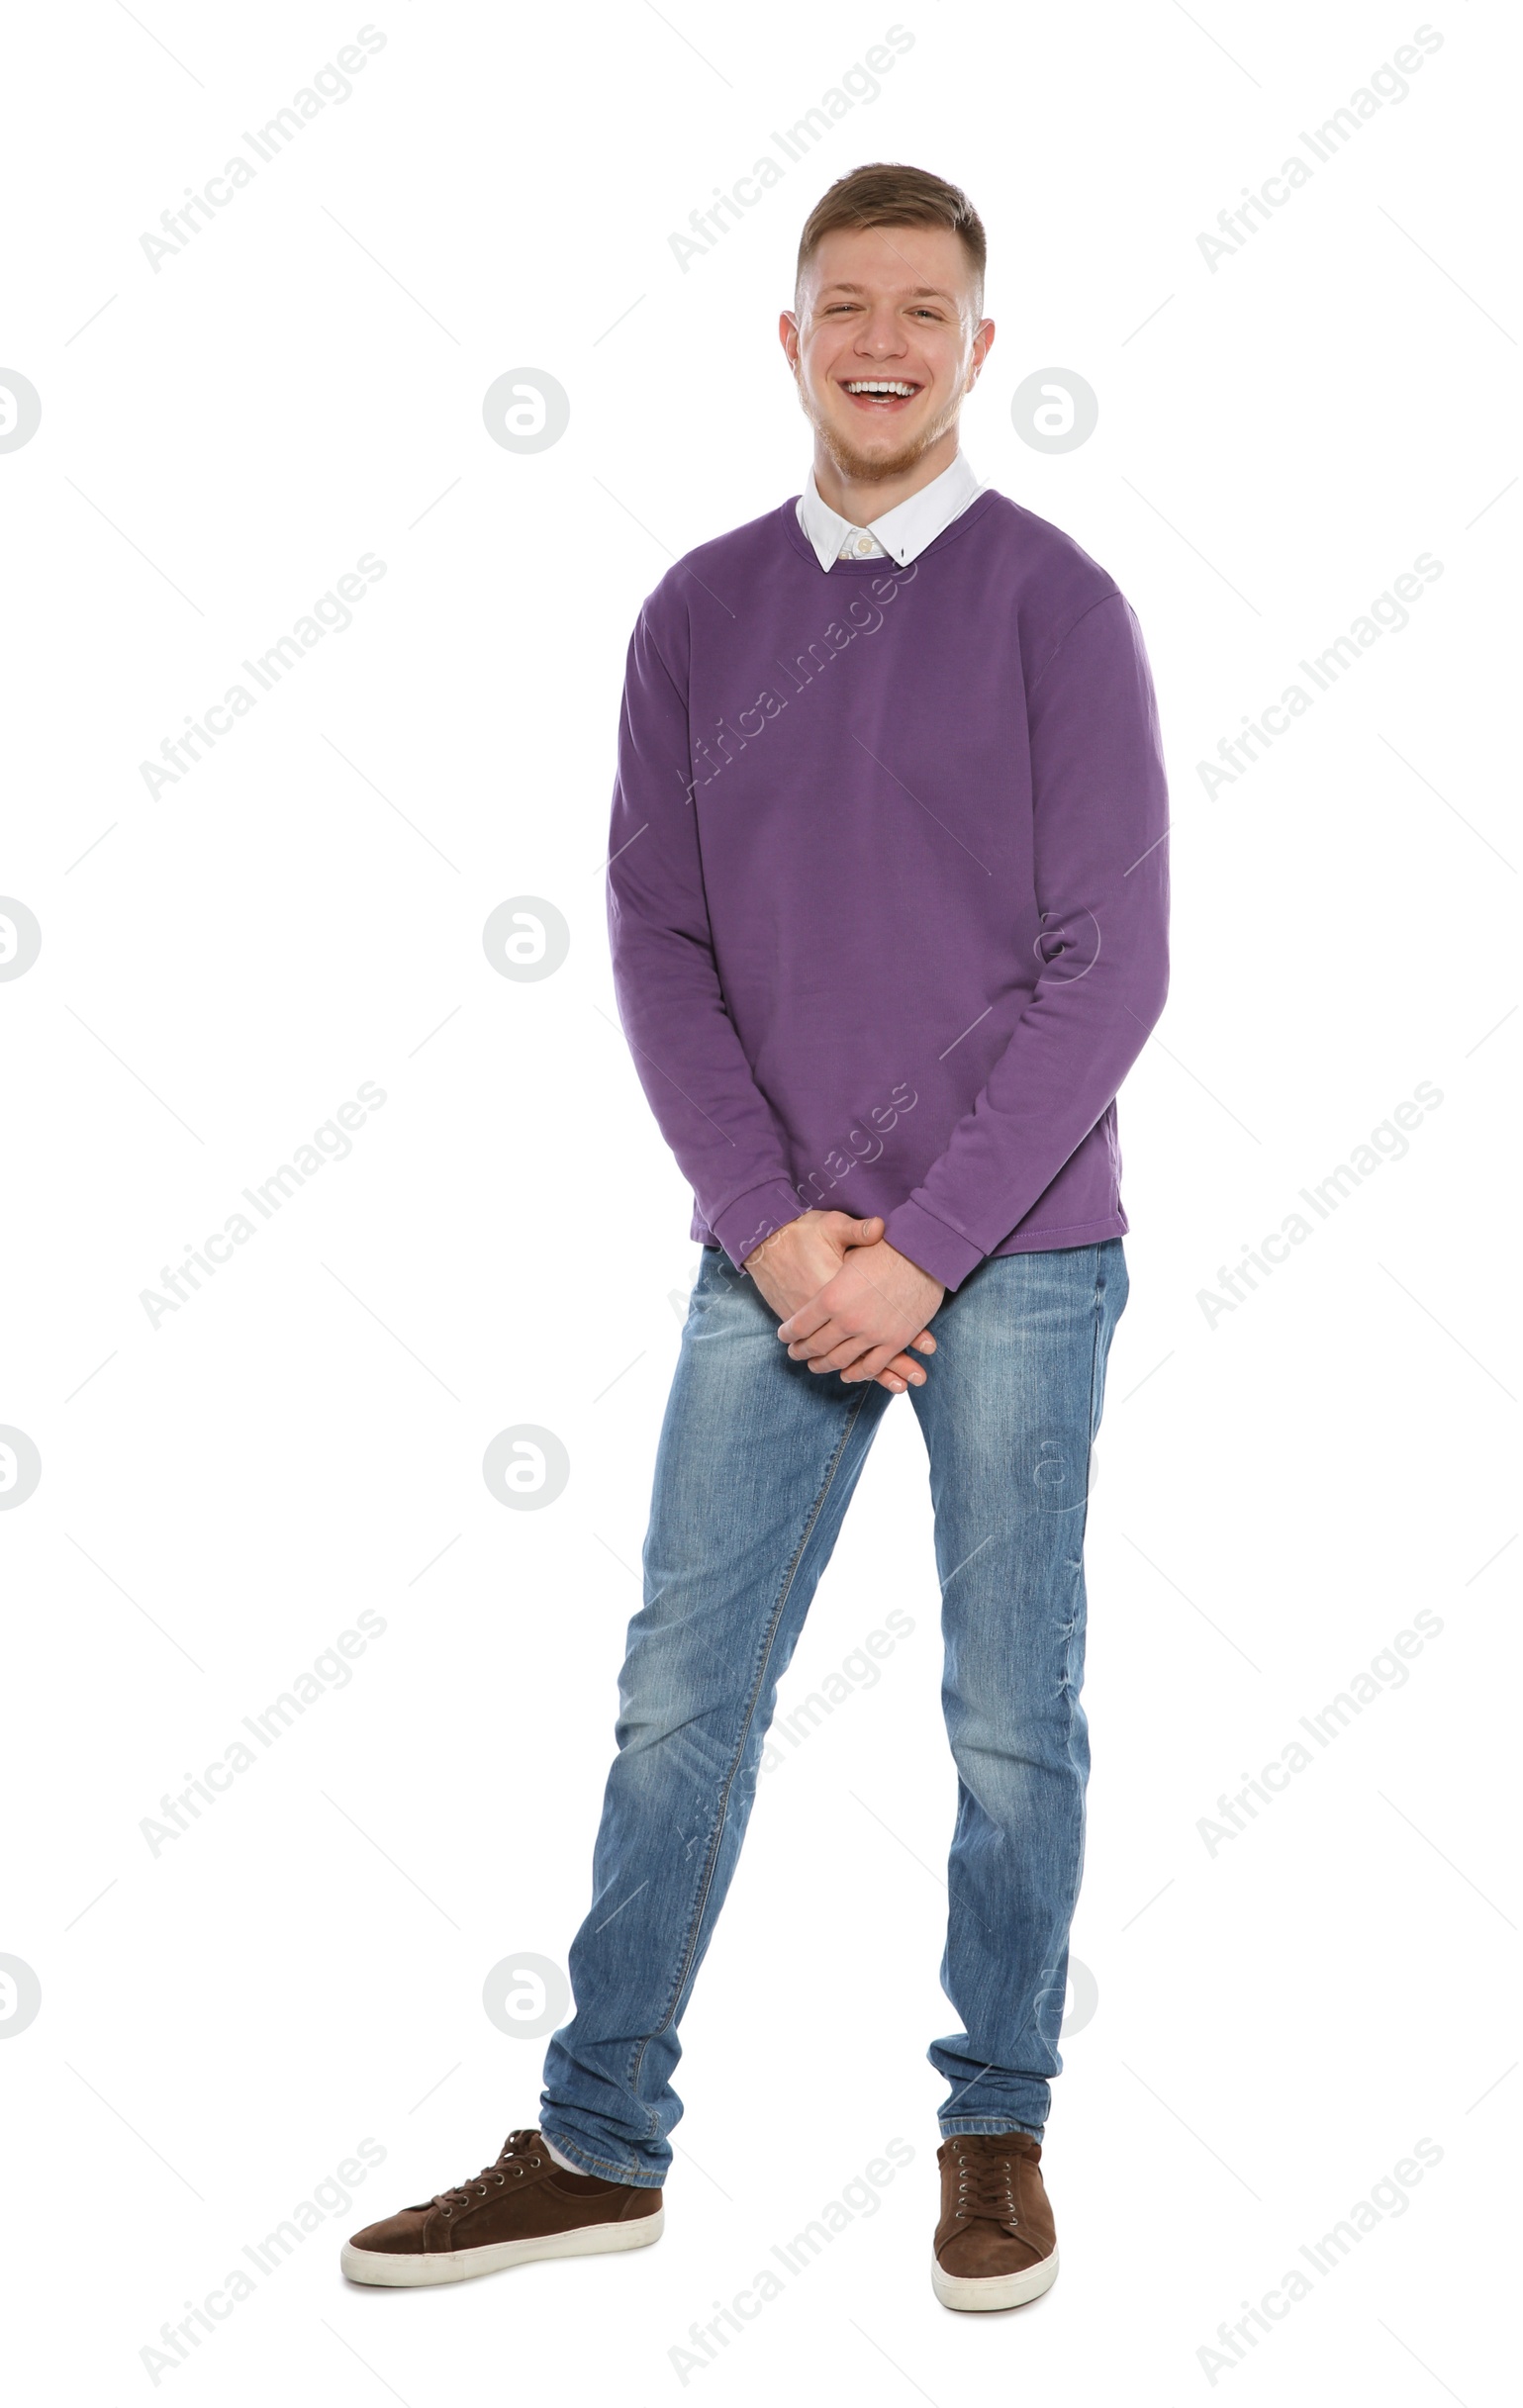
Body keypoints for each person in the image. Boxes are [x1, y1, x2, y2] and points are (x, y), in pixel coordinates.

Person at [344, 159, 1170, 2315]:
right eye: (842, 305)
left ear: (978, 350)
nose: (881, 339)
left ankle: (993, 2123)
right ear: (787, 339)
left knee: (1012, 1716)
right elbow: (656, 935)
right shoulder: (695, 615)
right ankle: (599, 2137)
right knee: (679, 1694)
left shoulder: (1055, 607)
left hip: (1017, 1253)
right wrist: (778, 1232)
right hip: (771, 1254)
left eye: (923, 307)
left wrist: (919, 1249)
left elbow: (1110, 969)